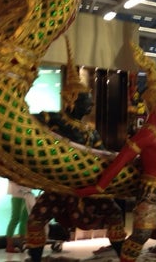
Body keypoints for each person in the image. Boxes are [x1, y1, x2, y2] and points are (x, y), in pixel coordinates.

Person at [75, 43, 156, 262]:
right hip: (152, 194)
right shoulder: (146, 135)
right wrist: (98, 186)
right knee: (140, 235)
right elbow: (120, 162)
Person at [27, 36, 126, 262]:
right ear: (72, 99)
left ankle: (124, 258)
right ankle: (34, 259)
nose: (91, 104)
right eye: (86, 99)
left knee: (115, 212)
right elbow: (30, 129)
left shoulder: (90, 132)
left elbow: (102, 155)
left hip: (86, 187)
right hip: (59, 186)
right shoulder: (51, 120)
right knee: (36, 218)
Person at [5, 180, 35, 253]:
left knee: (24, 219)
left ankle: (21, 244)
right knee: (15, 218)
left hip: (26, 193)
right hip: (17, 193)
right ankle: (9, 245)